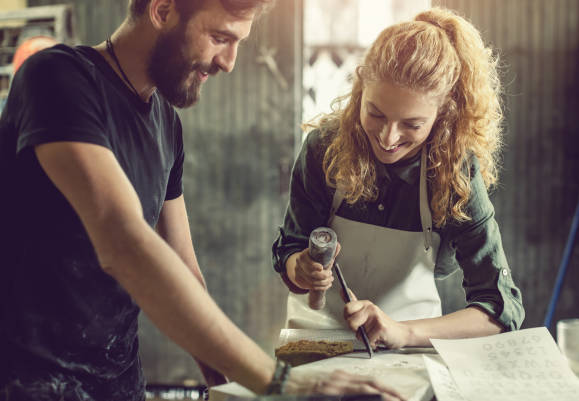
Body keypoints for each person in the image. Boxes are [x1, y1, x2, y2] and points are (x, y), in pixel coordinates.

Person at [0, 0, 405, 400]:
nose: (228, 62)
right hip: (28, 383)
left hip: (118, 386)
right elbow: (123, 242)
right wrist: (280, 382)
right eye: (219, 37)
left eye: (238, 43)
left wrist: (224, 388)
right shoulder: (57, 78)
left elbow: (186, 272)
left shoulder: (165, 123)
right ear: (162, 11)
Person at [272, 7, 525, 349]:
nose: (389, 138)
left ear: (443, 114)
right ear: (360, 88)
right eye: (375, 113)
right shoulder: (324, 147)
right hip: (315, 344)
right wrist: (298, 266)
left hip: (408, 352)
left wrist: (404, 332)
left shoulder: (453, 171)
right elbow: (290, 247)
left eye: (412, 124)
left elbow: (501, 309)